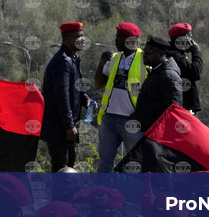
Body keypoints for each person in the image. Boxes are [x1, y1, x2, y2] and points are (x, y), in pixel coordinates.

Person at [94, 22, 147, 173]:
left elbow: (152, 91)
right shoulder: (115, 57)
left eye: (119, 37)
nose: (115, 40)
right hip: (109, 119)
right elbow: (98, 84)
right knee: (104, 164)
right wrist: (102, 62)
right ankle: (103, 189)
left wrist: (142, 115)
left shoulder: (144, 59)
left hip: (132, 120)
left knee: (137, 163)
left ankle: (137, 189)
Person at [41, 22, 87, 172]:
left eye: (83, 36)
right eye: (79, 36)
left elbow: (74, 89)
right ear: (67, 38)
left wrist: (86, 100)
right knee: (62, 168)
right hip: (59, 128)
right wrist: (69, 126)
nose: (83, 39)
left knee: (68, 167)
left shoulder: (71, 58)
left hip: (66, 126)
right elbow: (62, 95)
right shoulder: (63, 61)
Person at [130, 35, 183, 134]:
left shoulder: (168, 75)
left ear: (161, 53)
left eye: (149, 51)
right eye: (144, 51)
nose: (144, 54)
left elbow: (174, 111)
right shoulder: (155, 71)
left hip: (157, 135)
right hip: (146, 131)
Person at [167, 22, 203, 115]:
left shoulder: (176, 52)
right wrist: (196, 52)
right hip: (181, 108)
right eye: (189, 37)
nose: (192, 41)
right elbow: (195, 72)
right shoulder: (174, 55)